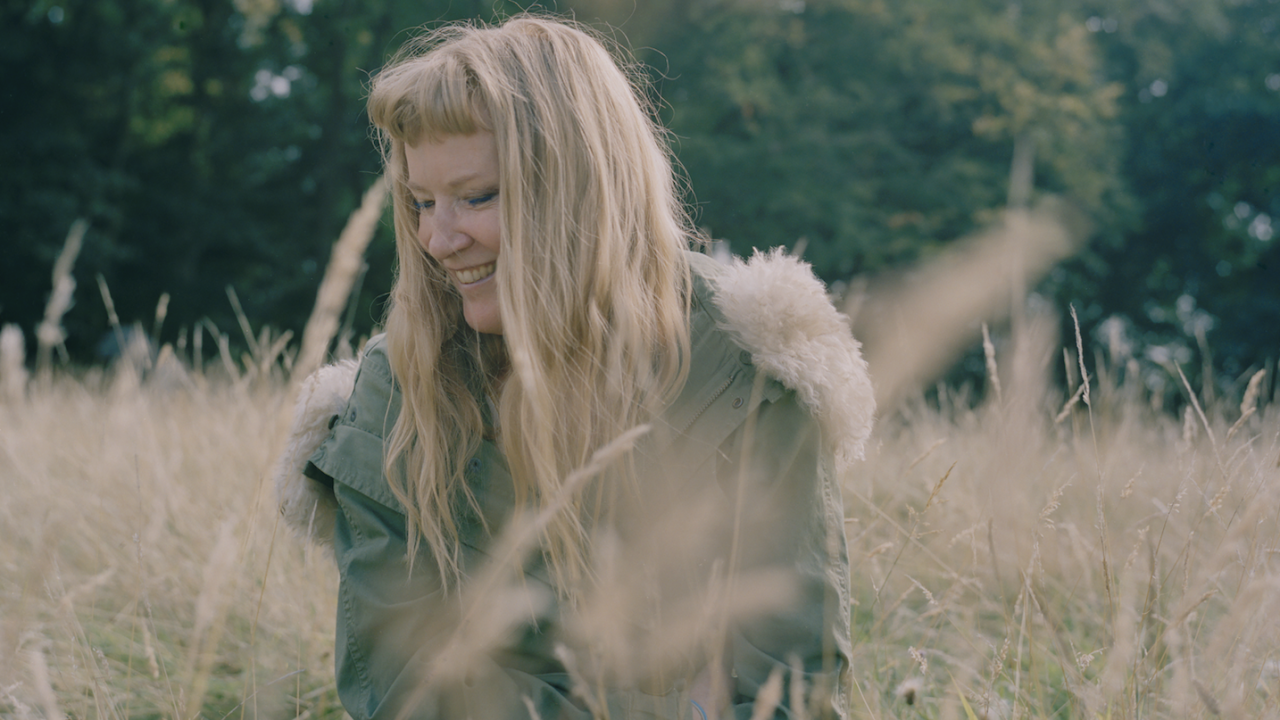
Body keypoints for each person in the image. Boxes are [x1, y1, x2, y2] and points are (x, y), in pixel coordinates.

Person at [274, 15, 874, 720]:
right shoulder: (398, 392)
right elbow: (410, 692)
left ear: (576, 188)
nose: (438, 238)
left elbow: (792, 683)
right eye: (419, 201)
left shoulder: (747, 361)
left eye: (477, 196)